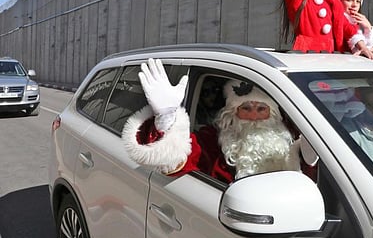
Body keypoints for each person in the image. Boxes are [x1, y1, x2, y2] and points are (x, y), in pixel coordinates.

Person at [122, 58, 301, 183]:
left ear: (273, 115)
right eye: (246, 108)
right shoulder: (211, 140)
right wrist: (167, 117)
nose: (254, 117)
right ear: (233, 113)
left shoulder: (293, 136)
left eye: (261, 109)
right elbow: (175, 161)